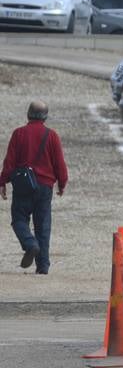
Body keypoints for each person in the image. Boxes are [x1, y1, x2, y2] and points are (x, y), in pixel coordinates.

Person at [2, 101, 68, 275]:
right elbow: (59, 164)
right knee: (43, 225)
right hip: (45, 187)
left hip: (23, 185)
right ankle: (43, 266)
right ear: (45, 116)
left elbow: (9, 162)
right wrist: (62, 183)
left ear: (28, 114)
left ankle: (30, 244)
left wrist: (2, 182)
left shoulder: (19, 134)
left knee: (19, 219)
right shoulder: (52, 135)